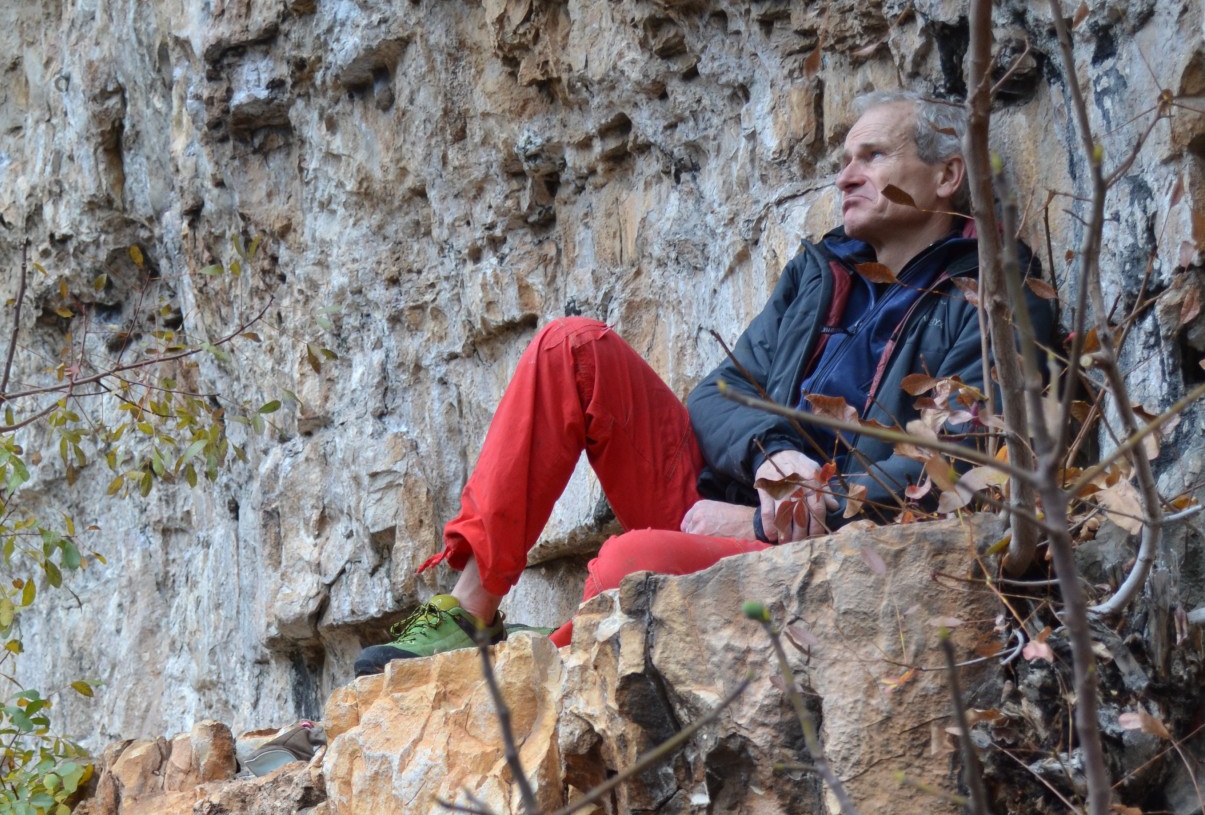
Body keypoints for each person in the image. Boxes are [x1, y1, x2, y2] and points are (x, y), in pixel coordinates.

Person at [355, 90, 1058, 675]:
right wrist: (771, 453)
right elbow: (718, 397)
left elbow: (963, 465)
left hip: (826, 547)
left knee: (631, 562)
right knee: (571, 346)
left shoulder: (994, 298)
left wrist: (769, 517)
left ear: (946, 176)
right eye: (844, 160)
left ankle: (522, 670)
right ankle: (468, 614)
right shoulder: (824, 274)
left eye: (872, 156)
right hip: (719, 501)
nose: (846, 176)